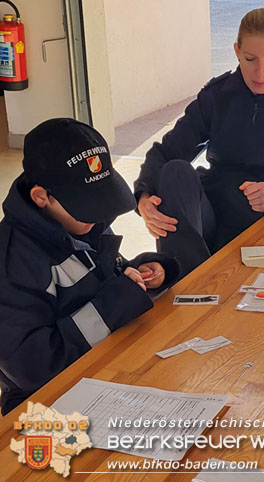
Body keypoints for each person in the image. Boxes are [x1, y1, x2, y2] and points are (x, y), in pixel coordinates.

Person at [134, 7, 264, 277]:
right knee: (174, 171)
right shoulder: (218, 95)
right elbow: (167, 151)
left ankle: (194, 281)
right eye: (250, 59)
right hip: (216, 205)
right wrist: (144, 196)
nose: (260, 73)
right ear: (236, 51)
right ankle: (188, 284)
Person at [0, 118, 180, 415]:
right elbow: (33, 368)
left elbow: (102, 280)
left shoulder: (83, 224)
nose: (99, 216)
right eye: (88, 206)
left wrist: (141, 273)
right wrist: (117, 302)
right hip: (45, 402)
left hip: (107, 366)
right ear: (41, 197)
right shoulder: (12, 264)